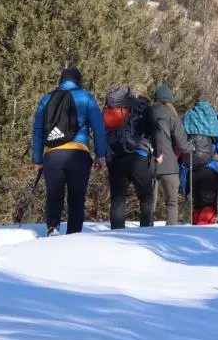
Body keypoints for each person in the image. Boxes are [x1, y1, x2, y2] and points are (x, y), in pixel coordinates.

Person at [32, 67, 107, 237]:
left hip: (52, 154)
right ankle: (74, 235)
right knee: (76, 198)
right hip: (78, 154)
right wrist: (101, 155)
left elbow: (37, 130)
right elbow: (98, 128)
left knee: (54, 195)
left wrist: (37, 159)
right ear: (79, 81)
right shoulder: (86, 97)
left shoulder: (47, 98)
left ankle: (52, 228)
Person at [103, 85, 155, 230]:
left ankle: (117, 232)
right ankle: (146, 230)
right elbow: (152, 129)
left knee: (118, 199)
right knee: (147, 196)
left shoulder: (109, 108)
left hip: (115, 156)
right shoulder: (140, 106)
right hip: (139, 156)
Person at [182, 100, 218, 225]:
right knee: (208, 204)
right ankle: (205, 233)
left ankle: (195, 230)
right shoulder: (214, 123)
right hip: (210, 169)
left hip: (190, 168)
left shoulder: (185, 121)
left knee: (197, 204)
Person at [149, 84, 193, 225]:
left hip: (149, 163)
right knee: (172, 203)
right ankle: (171, 232)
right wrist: (191, 147)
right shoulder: (173, 117)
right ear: (170, 101)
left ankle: (146, 231)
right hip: (169, 165)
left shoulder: (147, 113)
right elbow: (181, 143)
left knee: (149, 203)